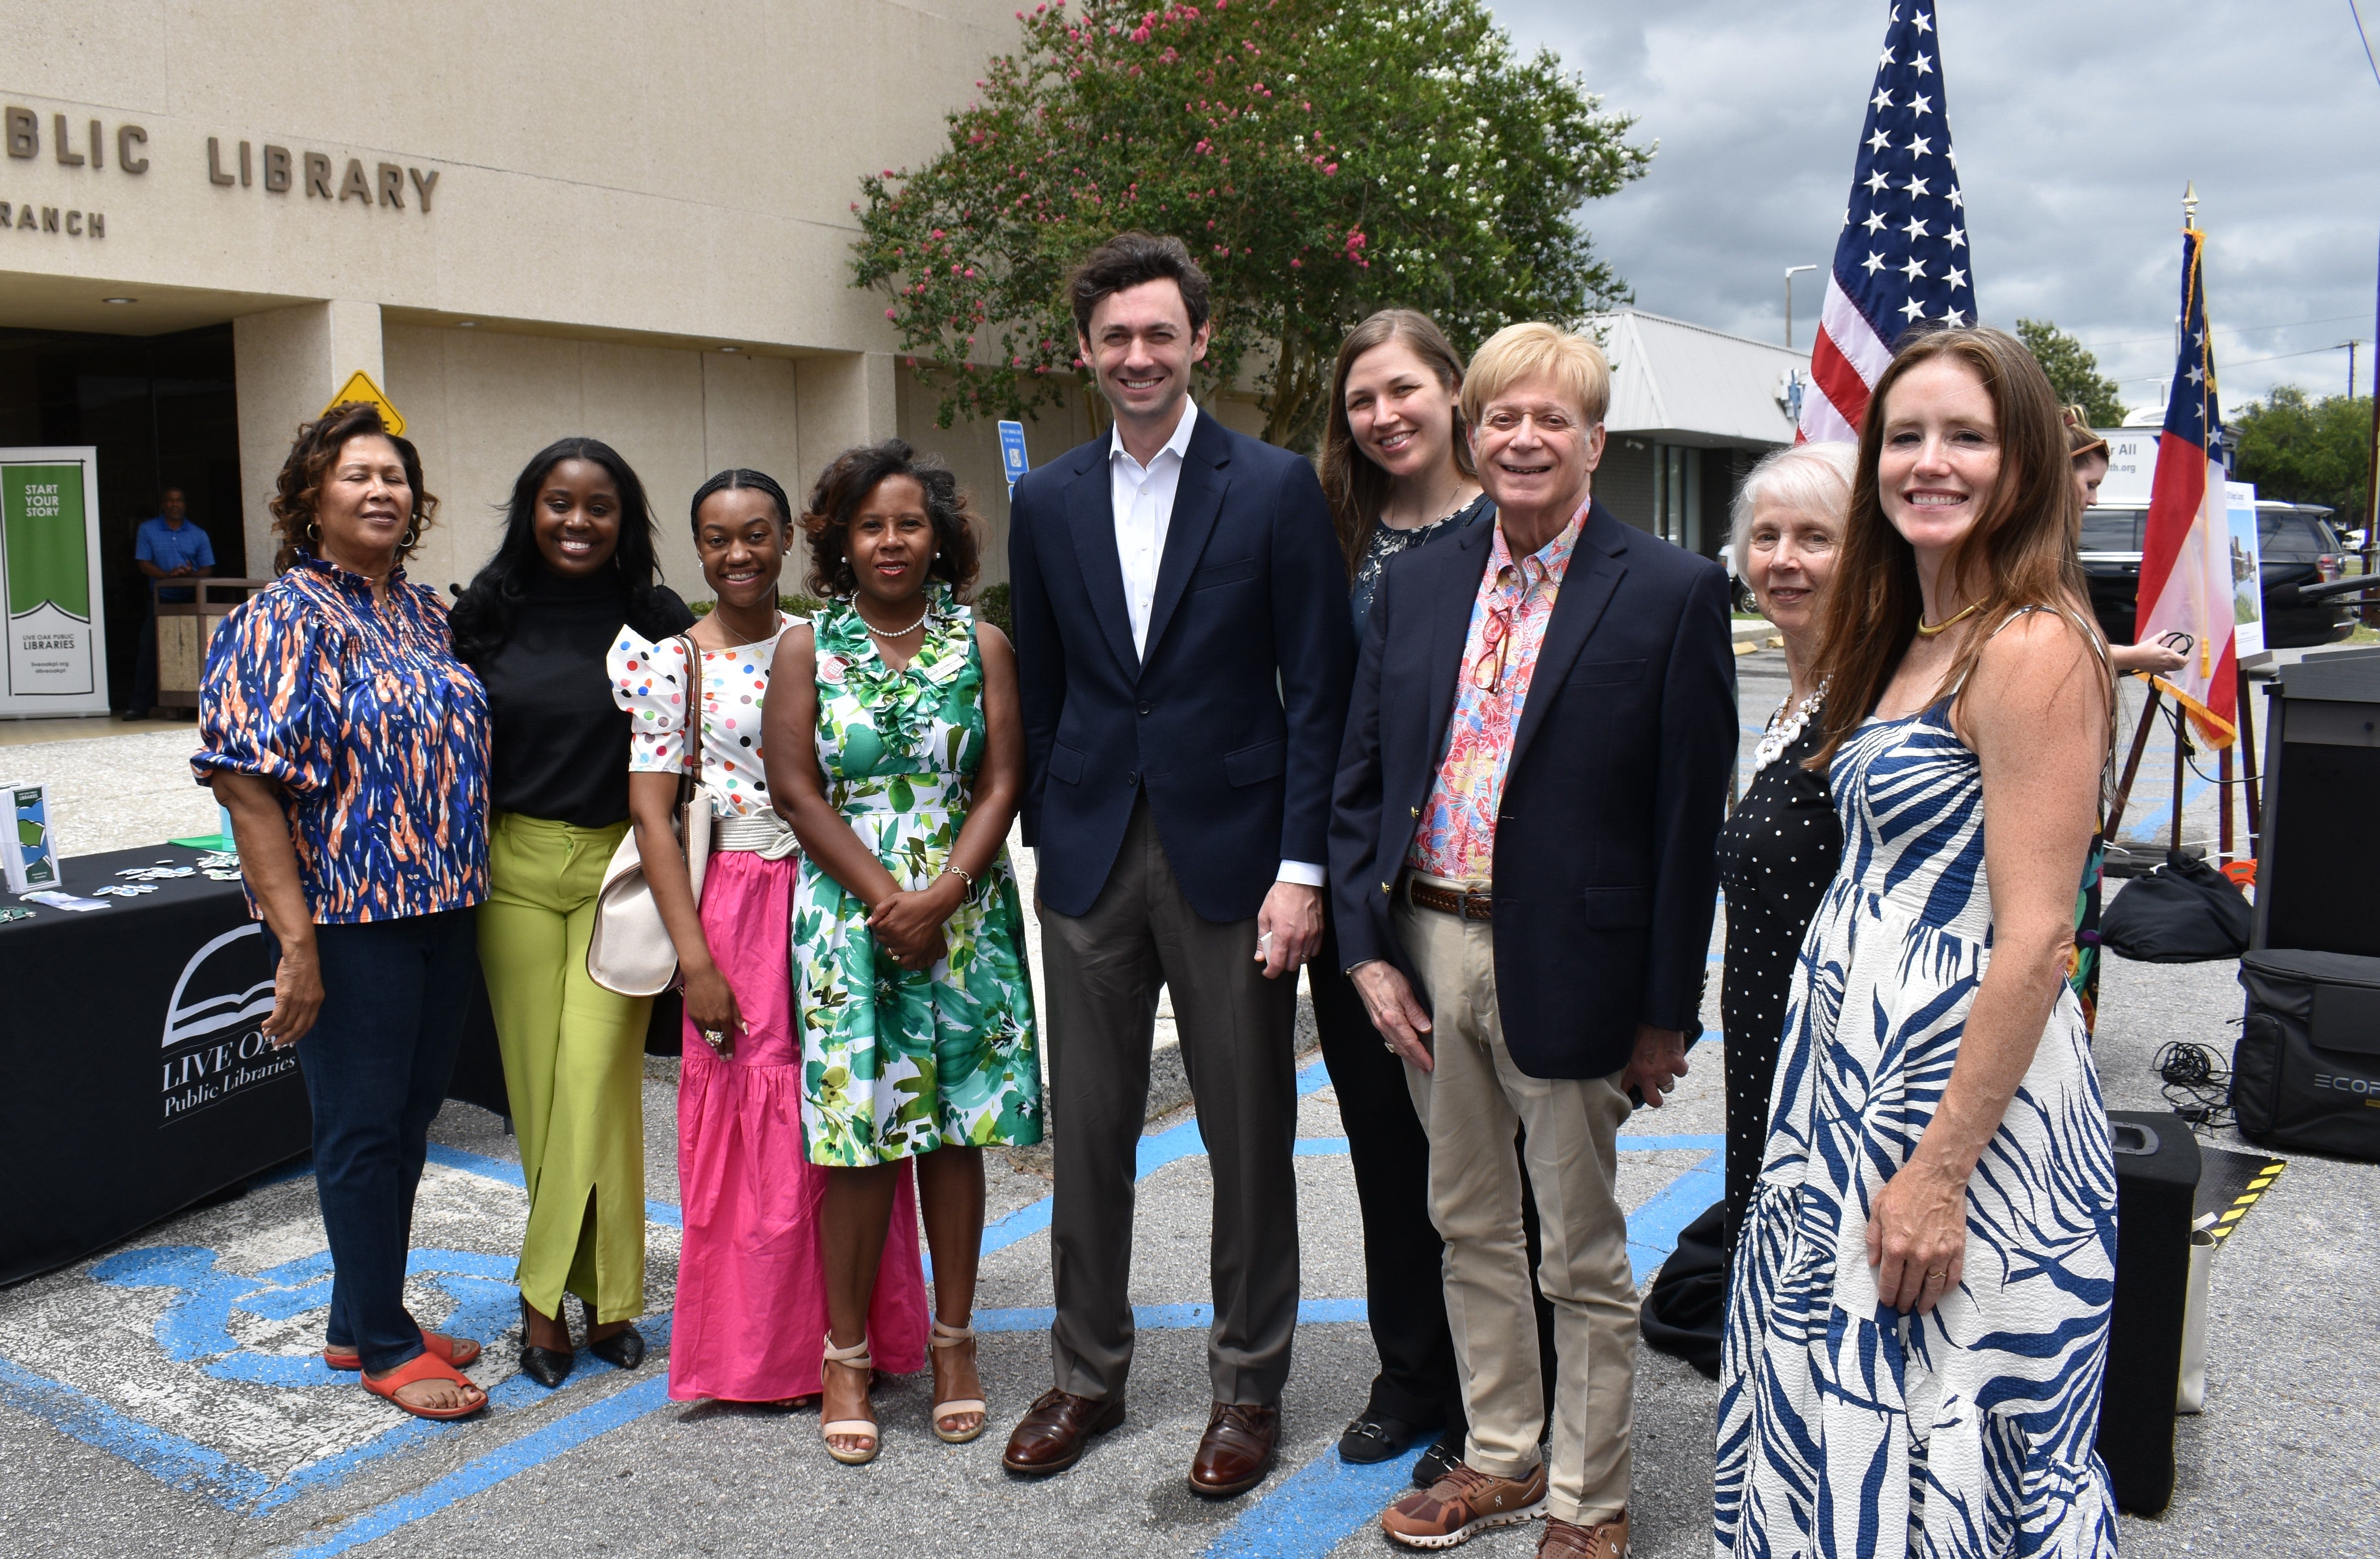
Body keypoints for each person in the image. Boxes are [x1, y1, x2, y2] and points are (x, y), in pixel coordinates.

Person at [1714, 327, 2120, 1556]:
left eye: (1967, 436)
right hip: (1845, 1090)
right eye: (1903, 435)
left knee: (1941, 1435)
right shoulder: (1907, 635)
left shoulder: (2030, 645)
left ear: (2024, 463)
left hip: (1956, 1112)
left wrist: (1938, 1172)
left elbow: (2039, 935)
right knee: (1837, 1418)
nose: (1926, 461)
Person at [1331, 323, 1736, 1558]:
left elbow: (1686, 817)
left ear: (1592, 441)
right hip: (1427, 942)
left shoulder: (1666, 590)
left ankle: (1588, 1494)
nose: (1520, 437)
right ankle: (1501, 1454)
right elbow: (1360, 777)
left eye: (1549, 419)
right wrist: (1364, 950)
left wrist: (1664, 1007)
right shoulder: (1413, 582)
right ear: (1473, 433)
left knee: (1580, 1246)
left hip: (1576, 964)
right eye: (1500, 416)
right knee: (1464, 1220)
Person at [1002, 232, 1353, 1498]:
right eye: (1115, 338)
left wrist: (1302, 866)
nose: (1137, 356)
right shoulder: (1042, 499)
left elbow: (1318, 690)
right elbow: (1039, 681)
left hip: (1237, 854)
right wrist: (1050, 816)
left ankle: (1245, 1386)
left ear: (1198, 340)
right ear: (1084, 352)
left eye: (1160, 334)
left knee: (1246, 1132)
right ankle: (1087, 1372)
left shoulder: (1270, 488)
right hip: (1091, 853)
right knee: (1085, 1131)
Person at [194, 402, 490, 1422]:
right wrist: (296, 944)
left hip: (444, 908)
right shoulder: (282, 617)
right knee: (361, 1130)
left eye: (395, 477)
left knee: (408, 1120)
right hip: (353, 921)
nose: (380, 490)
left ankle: (356, 1315)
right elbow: (247, 788)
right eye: (356, 473)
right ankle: (387, 1347)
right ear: (311, 497)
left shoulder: (420, 612)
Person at [610, 469, 928, 1410]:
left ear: (789, 538)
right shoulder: (672, 662)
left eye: (756, 533)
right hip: (739, 903)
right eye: (717, 537)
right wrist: (694, 961)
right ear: (697, 549)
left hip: (835, 889)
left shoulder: (831, 639)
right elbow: (650, 815)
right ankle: (761, 1355)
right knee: (753, 1127)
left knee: (849, 1109)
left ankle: (865, 1337)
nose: (738, 554)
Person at [766, 440, 1041, 1465]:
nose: (891, 541)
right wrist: (891, 899)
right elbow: (797, 790)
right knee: (857, 1139)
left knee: (953, 1130)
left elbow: (1003, 781)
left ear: (942, 538)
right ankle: (845, 1352)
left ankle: (955, 1344)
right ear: (840, 537)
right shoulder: (808, 646)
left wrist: (945, 894)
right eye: (871, 524)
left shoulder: (982, 645)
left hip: (963, 907)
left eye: (910, 523)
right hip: (850, 913)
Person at [451, 439, 695, 1388]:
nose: (579, 521)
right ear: (531, 508)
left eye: (600, 506)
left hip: (620, 871)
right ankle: (599, 1299)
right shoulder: (482, 613)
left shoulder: (656, 619)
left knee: (597, 1086)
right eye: (560, 502)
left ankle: (547, 1299)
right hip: (511, 868)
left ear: (626, 520)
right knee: (543, 1097)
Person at [1313, 308, 1502, 1481]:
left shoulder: (1512, 525)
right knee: (1385, 1147)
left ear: (1452, 390)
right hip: (1358, 887)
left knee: (1495, 1163)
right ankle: (1411, 1372)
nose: (1383, 417)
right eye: (1361, 401)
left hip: (1474, 891)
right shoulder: (1330, 534)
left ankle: (1499, 1389)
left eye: (1402, 391)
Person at [1640, 443, 1856, 1379]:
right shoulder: (1787, 703)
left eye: (1817, 538)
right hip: (1762, 1031)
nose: (1785, 559)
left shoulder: (1876, 708)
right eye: (1765, 536)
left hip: (1843, 1046)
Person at [2063, 406, 2179, 1033]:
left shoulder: (2058, 558)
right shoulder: (2034, 564)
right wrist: (2137, 656)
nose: (2096, 499)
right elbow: (2055, 644)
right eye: (2089, 485)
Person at [127, 487, 217, 719]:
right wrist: (167, 576)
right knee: (149, 651)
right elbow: (143, 563)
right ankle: (139, 706)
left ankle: (200, 706)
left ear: (184, 505)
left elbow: (207, 568)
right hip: (160, 600)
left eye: (179, 500)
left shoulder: (198, 534)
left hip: (192, 601)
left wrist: (190, 574)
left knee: (195, 652)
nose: (174, 504)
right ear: (163, 505)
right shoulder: (147, 530)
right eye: (170, 501)